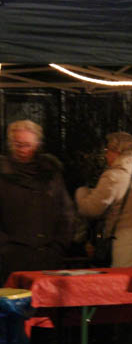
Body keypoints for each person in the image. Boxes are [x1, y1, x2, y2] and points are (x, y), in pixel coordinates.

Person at [75, 131, 132, 267]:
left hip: (127, 243)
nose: (106, 155)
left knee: (127, 283)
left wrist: (81, 192)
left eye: (108, 150)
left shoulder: (114, 176)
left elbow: (91, 209)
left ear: (117, 152)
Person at [0, 120, 75, 285]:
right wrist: (5, 248)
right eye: (18, 144)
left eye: (27, 145)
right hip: (10, 258)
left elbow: (66, 212)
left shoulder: (50, 173)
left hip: (48, 256)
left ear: (37, 144)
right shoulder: (3, 174)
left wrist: (59, 245)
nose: (22, 150)